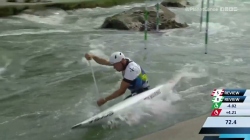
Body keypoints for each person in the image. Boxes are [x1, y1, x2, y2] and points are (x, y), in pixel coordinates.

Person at [85, 51, 150, 106]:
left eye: (115, 65)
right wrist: (93, 56)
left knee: (125, 107)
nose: (114, 67)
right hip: (135, 92)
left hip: (143, 92)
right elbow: (104, 62)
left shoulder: (131, 69)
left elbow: (121, 91)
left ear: (122, 61)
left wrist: (105, 100)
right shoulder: (123, 61)